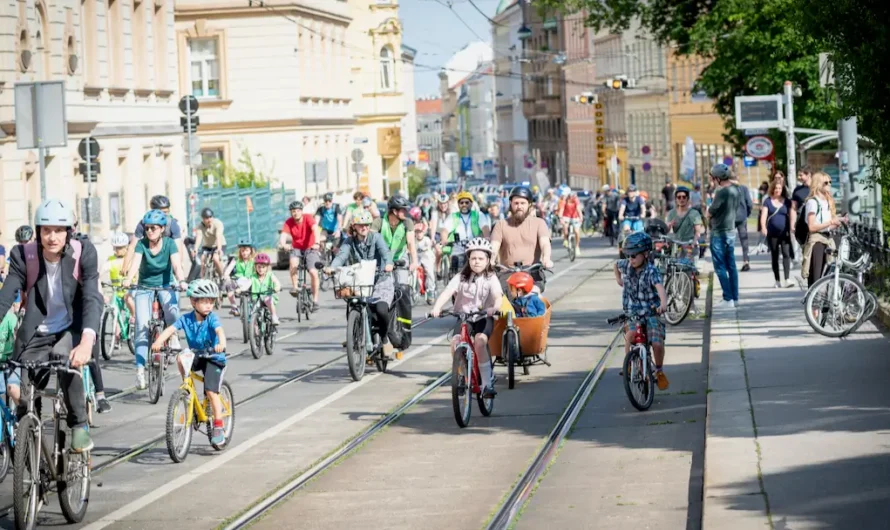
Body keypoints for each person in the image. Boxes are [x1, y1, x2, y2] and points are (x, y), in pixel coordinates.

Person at [0, 199, 104, 452]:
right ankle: (34, 458)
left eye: (59, 230)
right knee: (24, 398)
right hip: (36, 332)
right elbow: (6, 296)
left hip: (70, 328)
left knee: (65, 360)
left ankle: (79, 425)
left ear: (68, 231)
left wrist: (87, 341)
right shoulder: (23, 255)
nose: (52, 237)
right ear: (38, 232)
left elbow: (92, 297)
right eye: (46, 230)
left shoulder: (84, 252)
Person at [151, 279, 228, 445]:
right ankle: (187, 386)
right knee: (181, 356)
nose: (209, 305)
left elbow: (219, 331)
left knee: (211, 391)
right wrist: (158, 342)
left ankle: (218, 426)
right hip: (198, 355)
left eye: (211, 301)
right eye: (205, 301)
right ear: (193, 301)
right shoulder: (186, 319)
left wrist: (221, 344)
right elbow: (170, 330)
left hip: (214, 358)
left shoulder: (212, 319)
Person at [123, 209, 189, 389]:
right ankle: (140, 371)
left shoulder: (169, 244)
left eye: (153, 228)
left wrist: (182, 280)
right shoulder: (141, 245)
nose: (149, 231)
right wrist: (128, 279)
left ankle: (173, 334)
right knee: (142, 326)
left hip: (166, 284)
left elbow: (176, 264)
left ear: (162, 229)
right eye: (147, 228)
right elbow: (135, 264)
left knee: (172, 311)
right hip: (144, 287)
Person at [430, 238, 502, 397]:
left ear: (488, 260)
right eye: (473, 258)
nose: (477, 262)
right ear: (468, 259)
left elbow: (497, 296)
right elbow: (447, 292)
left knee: (480, 341)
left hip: (483, 317)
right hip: (464, 317)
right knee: (455, 342)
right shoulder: (460, 277)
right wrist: (437, 308)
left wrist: (494, 308)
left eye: (481, 259)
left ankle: (487, 384)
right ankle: (463, 374)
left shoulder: (491, 277)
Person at [327, 210, 395, 354]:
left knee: (382, 310)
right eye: (360, 225)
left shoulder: (376, 237)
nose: (364, 227)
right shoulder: (349, 241)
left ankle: (384, 339)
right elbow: (341, 256)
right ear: (354, 226)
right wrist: (332, 267)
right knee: (352, 303)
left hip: (380, 280)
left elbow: (385, 252)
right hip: (361, 281)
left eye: (366, 225)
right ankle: (354, 334)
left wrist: (388, 264)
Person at [613, 231, 669, 390]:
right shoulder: (627, 265)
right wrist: (618, 279)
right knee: (630, 335)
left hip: (651, 312)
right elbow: (616, 265)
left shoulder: (652, 271)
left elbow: (660, 288)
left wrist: (663, 304)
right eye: (628, 255)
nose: (630, 259)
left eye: (634, 256)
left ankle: (659, 370)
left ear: (645, 254)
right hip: (632, 313)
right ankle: (628, 363)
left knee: (657, 343)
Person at [491, 186, 553, 291]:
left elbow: (545, 244)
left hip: (532, 272)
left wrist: (546, 258)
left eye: (522, 203)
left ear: (529, 205)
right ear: (510, 204)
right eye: (516, 203)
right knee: (500, 299)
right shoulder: (500, 225)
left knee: (534, 295)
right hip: (507, 273)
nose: (519, 206)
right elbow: (494, 246)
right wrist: (491, 260)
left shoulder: (539, 223)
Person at [801, 171, 846, 288]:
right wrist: (830, 222)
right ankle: (814, 304)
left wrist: (838, 222)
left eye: (830, 182)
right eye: (826, 182)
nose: (829, 184)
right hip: (817, 241)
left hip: (828, 239)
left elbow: (825, 225)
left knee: (827, 274)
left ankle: (822, 303)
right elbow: (812, 226)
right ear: (818, 184)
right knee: (816, 275)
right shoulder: (813, 202)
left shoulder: (827, 201)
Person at [707, 164, 741, 309]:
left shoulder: (721, 192)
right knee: (731, 266)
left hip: (719, 231)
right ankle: (735, 297)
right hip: (731, 231)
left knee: (720, 266)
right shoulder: (736, 190)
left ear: (717, 178)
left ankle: (728, 299)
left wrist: (707, 214)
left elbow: (711, 211)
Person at [124, 195, 185, 276]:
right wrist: (125, 266)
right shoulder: (143, 224)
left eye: (167, 212)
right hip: (148, 263)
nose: (165, 216)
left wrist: (178, 269)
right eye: (162, 212)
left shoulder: (172, 224)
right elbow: (132, 247)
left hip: (167, 261)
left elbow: (178, 249)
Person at [279, 201, 321, 312]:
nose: (296, 213)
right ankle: (295, 287)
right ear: (291, 213)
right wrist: (284, 245)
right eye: (293, 211)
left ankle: (315, 300)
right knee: (293, 263)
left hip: (311, 248)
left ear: (301, 211)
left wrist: (317, 242)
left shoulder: (308, 218)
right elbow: (283, 235)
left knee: (313, 272)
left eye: (298, 210)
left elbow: (315, 229)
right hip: (296, 248)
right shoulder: (288, 222)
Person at [371, 195, 418, 286]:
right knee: (381, 287)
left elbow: (411, 243)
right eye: (403, 210)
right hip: (383, 259)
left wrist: (414, 262)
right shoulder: (379, 222)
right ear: (395, 211)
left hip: (400, 257)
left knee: (402, 287)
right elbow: (370, 241)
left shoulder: (407, 222)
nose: (406, 212)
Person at [443, 192, 491, 274]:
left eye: (466, 202)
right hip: (457, 246)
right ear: (458, 204)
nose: (464, 205)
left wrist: (487, 237)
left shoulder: (478, 215)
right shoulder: (452, 216)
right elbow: (445, 230)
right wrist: (444, 240)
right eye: (461, 203)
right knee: (455, 262)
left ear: (471, 204)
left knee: (480, 263)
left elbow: (485, 228)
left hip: (475, 246)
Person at [759, 180, 794, 288]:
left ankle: (787, 279)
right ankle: (777, 280)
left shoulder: (787, 202)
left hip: (785, 233)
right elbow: (764, 215)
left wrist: (792, 227)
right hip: (772, 234)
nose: (778, 190)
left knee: (786, 254)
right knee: (774, 256)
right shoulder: (768, 201)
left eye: (780, 188)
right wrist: (763, 227)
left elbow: (792, 214)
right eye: (776, 188)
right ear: (772, 189)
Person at [665, 186, 704, 258]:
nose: (681, 199)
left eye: (684, 197)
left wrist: (693, 243)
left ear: (688, 198)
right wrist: (669, 225)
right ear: (676, 199)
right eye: (679, 197)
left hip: (690, 245)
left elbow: (698, 232)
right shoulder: (671, 213)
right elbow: (666, 230)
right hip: (677, 246)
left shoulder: (694, 213)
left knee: (689, 268)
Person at [0, 293, 22, 407]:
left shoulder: (9, 318)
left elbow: (15, 334)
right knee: (1, 391)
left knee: (12, 389)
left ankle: (22, 415)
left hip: (10, 360)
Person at [223, 239, 256, 315]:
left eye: (247, 250)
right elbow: (228, 270)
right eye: (242, 251)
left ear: (250, 251)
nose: (244, 253)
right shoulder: (236, 260)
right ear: (240, 251)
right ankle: (234, 306)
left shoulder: (254, 260)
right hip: (238, 281)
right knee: (228, 283)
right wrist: (226, 276)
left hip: (250, 281)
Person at [247, 253, 281, 325]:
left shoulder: (270, 275)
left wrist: (276, 288)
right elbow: (247, 284)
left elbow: (277, 283)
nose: (261, 269)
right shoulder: (253, 276)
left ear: (267, 267)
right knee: (252, 312)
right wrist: (240, 289)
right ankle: (254, 330)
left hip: (268, 296)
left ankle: (274, 316)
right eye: (259, 267)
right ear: (255, 267)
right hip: (256, 298)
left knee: (267, 299)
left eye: (263, 267)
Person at [194, 207, 226, 280]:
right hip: (207, 246)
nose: (209, 220)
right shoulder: (200, 226)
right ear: (202, 219)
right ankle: (202, 279)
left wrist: (219, 249)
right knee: (202, 259)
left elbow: (218, 236)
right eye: (206, 218)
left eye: (210, 217)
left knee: (215, 258)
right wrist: (195, 249)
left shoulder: (218, 223)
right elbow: (199, 237)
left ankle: (222, 276)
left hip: (219, 244)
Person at [790, 166, 813, 264]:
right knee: (805, 248)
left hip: (815, 223)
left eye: (801, 175)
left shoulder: (817, 188)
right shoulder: (797, 190)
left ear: (808, 175)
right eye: (798, 175)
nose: (799, 177)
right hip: (802, 225)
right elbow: (793, 208)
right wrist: (792, 224)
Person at [731, 176, 754, 272]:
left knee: (729, 241)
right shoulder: (744, 189)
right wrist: (747, 213)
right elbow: (750, 204)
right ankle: (746, 261)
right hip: (742, 218)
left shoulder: (727, 190)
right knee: (744, 241)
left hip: (730, 218)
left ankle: (730, 263)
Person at [414, 222, 436, 303]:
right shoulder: (414, 240)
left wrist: (425, 249)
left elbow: (428, 246)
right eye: (417, 232)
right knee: (412, 272)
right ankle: (414, 289)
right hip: (417, 258)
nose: (419, 234)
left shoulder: (426, 239)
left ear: (423, 232)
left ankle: (431, 291)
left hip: (426, 257)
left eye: (420, 232)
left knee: (429, 273)